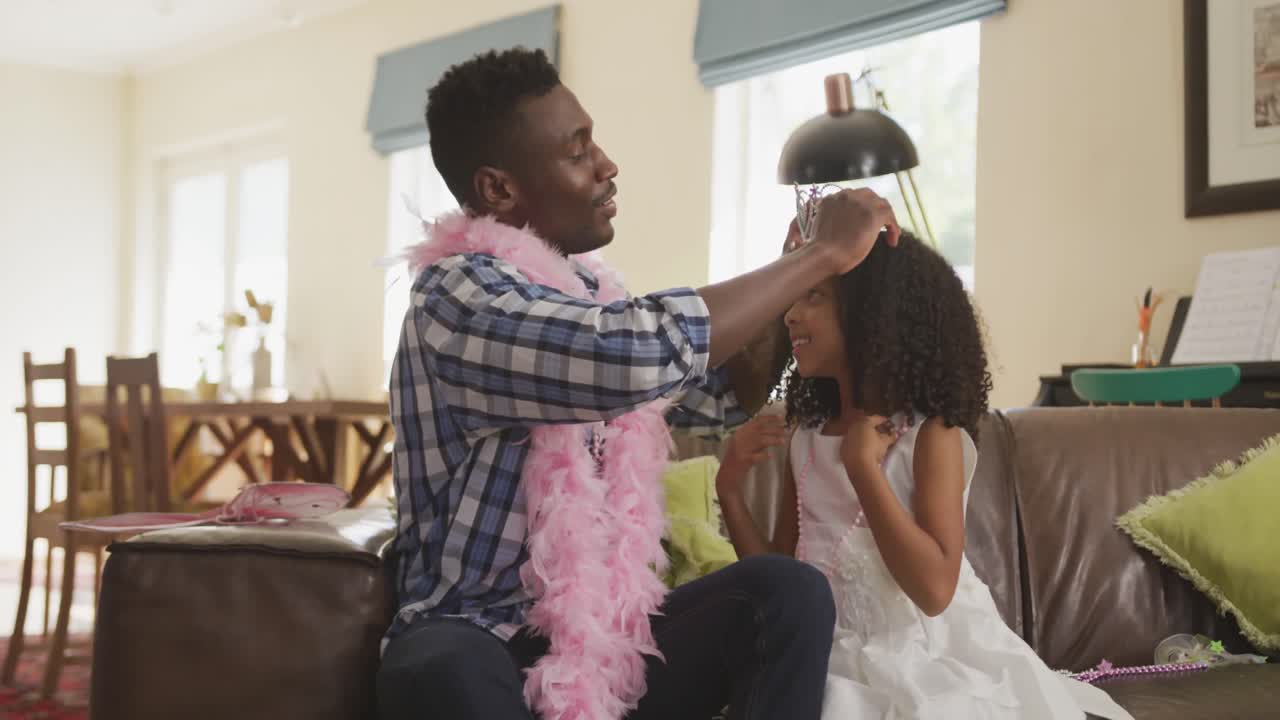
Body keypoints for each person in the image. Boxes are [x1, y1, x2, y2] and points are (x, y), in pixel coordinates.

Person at [376, 46, 901, 720]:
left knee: (785, 593)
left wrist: (796, 266)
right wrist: (819, 256)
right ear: (498, 189)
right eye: (577, 150)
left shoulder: (588, 292)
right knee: (442, 669)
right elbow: (629, 356)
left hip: (598, 645)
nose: (607, 165)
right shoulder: (456, 294)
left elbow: (718, 393)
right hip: (474, 634)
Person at [716, 232, 1134, 719]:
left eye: (815, 296)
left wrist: (862, 469)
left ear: (875, 316)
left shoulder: (929, 435)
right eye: (795, 294)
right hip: (826, 653)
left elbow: (934, 590)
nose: (791, 313)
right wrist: (729, 488)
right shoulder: (806, 437)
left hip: (925, 651)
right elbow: (781, 577)